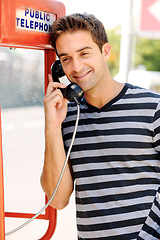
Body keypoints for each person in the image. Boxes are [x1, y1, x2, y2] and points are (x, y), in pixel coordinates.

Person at [41, 13, 160, 240]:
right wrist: (53, 128)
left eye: (84, 53)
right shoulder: (67, 117)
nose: (76, 67)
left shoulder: (153, 107)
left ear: (105, 51)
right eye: (66, 58)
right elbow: (57, 199)